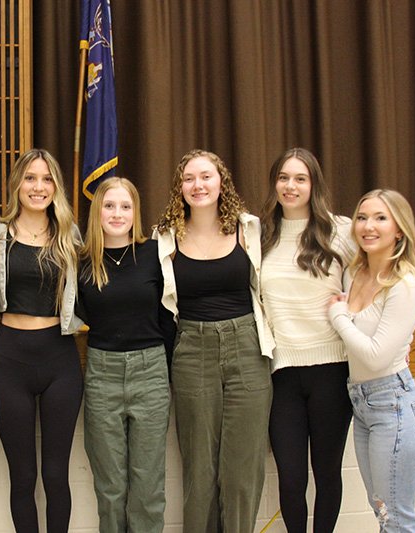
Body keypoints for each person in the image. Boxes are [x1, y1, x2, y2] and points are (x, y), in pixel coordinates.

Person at [153, 149, 275, 533]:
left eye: (206, 176)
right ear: (179, 187)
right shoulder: (164, 238)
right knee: (200, 472)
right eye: (189, 178)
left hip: (248, 348)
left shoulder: (249, 228)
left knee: (242, 471)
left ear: (222, 181)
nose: (198, 185)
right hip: (192, 350)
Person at [0, 148, 83, 533]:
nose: (38, 187)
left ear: (56, 186)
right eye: (30, 178)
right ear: (17, 184)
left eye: (47, 179)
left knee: (56, 476)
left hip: (60, 362)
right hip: (8, 362)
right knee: (22, 477)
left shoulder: (70, 235)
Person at [259, 148, 355, 533]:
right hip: (282, 373)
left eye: (300, 178)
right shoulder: (259, 233)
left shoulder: (341, 231)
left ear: (313, 184)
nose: (290, 186)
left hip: (332, 371)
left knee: (327, 472)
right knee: (291, 477)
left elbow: (371, 280)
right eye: (283, 177)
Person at [328, 189, 415, 532]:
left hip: (395, 406)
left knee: (397, 519)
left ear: (399, 229)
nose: (368, 226)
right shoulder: (354, 272)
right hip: (363, 405)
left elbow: (375, 356)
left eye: (381, 218)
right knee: (383, 514)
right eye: (362, 217)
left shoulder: (405, 284)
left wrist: (339, 316)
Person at [77, 177, 174, 532]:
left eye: (125, 206)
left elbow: (168, 317)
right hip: (103, 374)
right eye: (109, 206)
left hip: (150, 371)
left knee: (148, 487)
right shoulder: (82, 260)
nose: (117, 213)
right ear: (96, 211)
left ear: (136, 211)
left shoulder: (155, 254)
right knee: (111, 488)